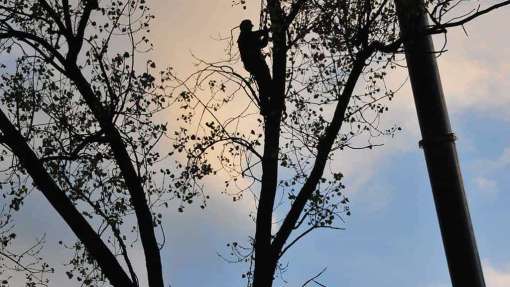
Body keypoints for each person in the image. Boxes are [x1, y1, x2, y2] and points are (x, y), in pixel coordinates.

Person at [237, 19, 272, 115]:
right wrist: (264, 32)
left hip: (256, 63)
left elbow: (262, 44)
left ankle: (269, 99)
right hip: (253, 62)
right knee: (263, 81)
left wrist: (265, 35)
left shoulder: (249, 36)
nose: (251, 28)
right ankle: (265, 106)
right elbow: (254, 35)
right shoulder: (244, 37)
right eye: (250, 27)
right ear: (246, 27)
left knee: (265, 80)